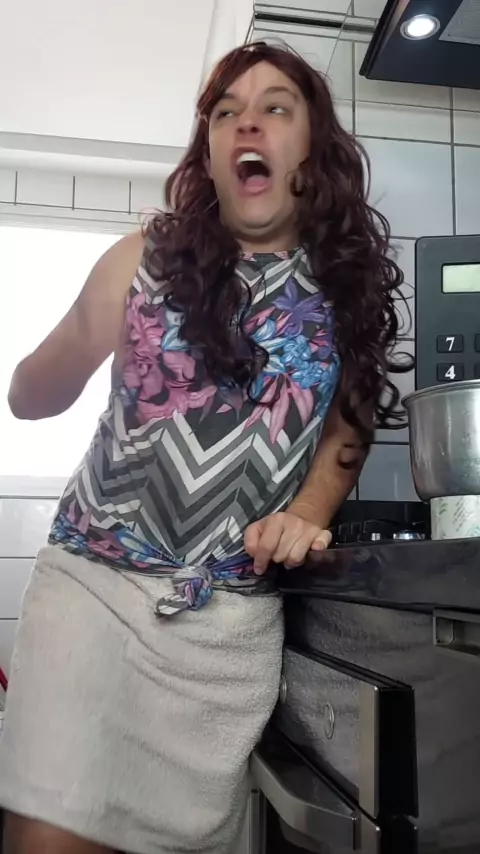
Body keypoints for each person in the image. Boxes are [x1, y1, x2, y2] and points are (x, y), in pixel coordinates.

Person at [0, 41, 405, 854]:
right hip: (94, 590)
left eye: (275, 107)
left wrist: (308, 512)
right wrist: (69, 353)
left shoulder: (349, 294)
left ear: (313, 151)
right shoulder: (139, 262)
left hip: (227, 626)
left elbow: (347, 429)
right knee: (53, 833)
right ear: (212, 157)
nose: (247, 122)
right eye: (226, 113)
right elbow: (30, 395)